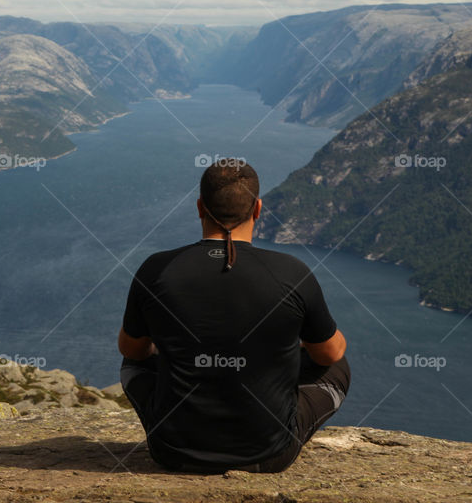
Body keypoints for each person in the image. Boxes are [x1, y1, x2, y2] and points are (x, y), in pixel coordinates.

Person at [118, 159, 350, 473]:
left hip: (172, 453)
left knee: (133, 362)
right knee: (338, 362)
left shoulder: (155, 269)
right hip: (269, 456)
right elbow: (330, 353)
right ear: (257, 210)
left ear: (199, 207)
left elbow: (132, 350)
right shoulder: (292, 272)